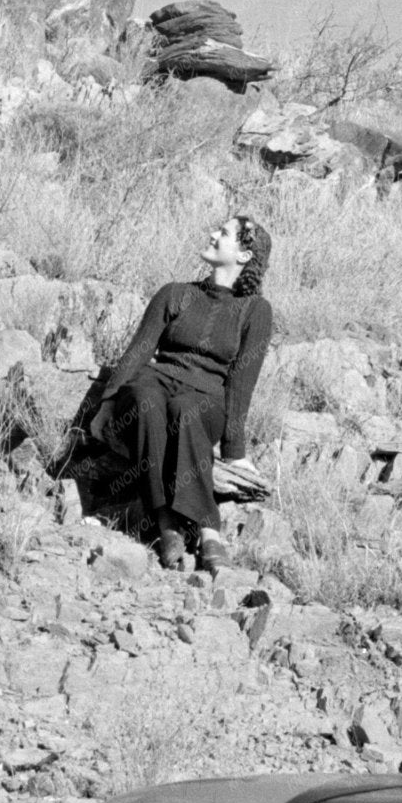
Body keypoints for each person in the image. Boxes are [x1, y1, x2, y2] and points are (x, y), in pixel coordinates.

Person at [86, 213, 274, 574]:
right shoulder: (175, 293)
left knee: (187, 409)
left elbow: (240, 384)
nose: (212, 233)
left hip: (206, 397)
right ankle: (166, 524)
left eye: (223, 232)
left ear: (244, 256)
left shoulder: (255, 311)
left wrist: (235, 452)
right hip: (159, 381)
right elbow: (138, 352)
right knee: (145, 398)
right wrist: (106, 404)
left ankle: (208, 531)